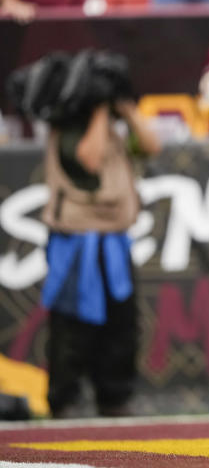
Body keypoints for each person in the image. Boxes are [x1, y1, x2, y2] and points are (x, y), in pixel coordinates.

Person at [12, 51, 161, 417]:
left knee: (120, 323)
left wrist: (125, 110)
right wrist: (97, 110)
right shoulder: (67, 127)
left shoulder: (112, 128)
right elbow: (88, 160)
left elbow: (152, 145)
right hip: (76, 240)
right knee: (73, 324)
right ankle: (65, 399)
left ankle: (115, 396)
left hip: (114, 238)